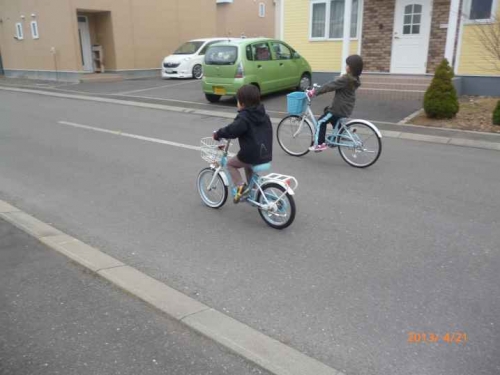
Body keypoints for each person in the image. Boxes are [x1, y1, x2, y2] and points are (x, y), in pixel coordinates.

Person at [213, 85, 273, 203]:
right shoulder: (264, 115)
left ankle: (240, 187)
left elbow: (231, 130)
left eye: (238, 101)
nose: (237, 103)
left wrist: (218, 134)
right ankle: (253, 191)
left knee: (231, 164)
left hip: (251, 155)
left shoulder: (244, 118)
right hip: (265, 153)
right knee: (248, 165)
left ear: (243, 103)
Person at [307, 54, 364, 152]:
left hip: (339, 108)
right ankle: (337, 136)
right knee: (328, 112)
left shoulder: (346, 79)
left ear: (351, 68)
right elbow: (335, 84)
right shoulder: (354, 79)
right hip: (346, 108)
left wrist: (314, 92)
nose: (346, 67)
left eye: (347, 65)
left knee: (321, 121)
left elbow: (330, 86)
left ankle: (319, 144)